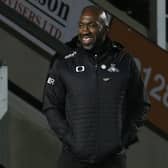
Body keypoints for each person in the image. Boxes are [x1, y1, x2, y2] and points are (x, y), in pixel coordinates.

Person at [42, 5, 150, 168]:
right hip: (73, 160)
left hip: (112, 161)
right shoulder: (63, 61)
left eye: (92, 25)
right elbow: (51, 105)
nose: (85, 31)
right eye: (81, 25)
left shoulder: (124, 61)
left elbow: (141, 104)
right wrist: (70, 139)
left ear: (105, 29)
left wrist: (123, 138)